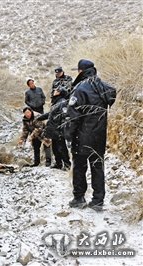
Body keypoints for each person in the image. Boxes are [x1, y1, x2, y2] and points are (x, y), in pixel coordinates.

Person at [65, 59, 116, 211]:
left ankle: (79, 198)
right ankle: (98, 200)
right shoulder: (104, 87)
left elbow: (72, 117)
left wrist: (68, 136)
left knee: (80, 167)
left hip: (82, 136)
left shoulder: (80, 89)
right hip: (99, 136)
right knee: (97, 167)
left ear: (80, 71)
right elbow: (112, 96)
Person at [38, 67, 72, 170]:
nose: (54, 92)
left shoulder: (63, 101)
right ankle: (58, 163)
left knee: (61, 147)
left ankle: (66, 164)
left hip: (59, 128)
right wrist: (40, 117)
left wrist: (62, 128)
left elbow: (69, 91)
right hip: (54, 128)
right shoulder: (56, 101)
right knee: (56, 147)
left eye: (59, 72)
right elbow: (51, 113)